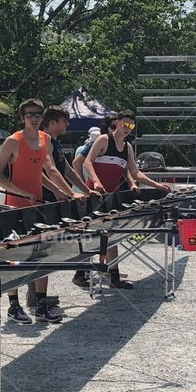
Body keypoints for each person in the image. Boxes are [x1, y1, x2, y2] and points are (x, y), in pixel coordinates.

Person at [0, 98, 75, 323]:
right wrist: (18, 191)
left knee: (42, 253)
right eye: (29, 114)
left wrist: (60, 191)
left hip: (37, 206)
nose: (34, 118)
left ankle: (40, 304)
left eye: (37, 114)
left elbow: (44, 172)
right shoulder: (13, 141)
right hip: (14, 206)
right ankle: (13, 305)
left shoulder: (45, 140)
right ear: (23, 117)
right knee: (14, 255)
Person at [81, 109, 170, 289]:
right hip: (94, 194)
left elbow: (135, 172)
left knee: (111, 235)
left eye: (131, 125)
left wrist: (158, 186)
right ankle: (82, 273)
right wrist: (96, 182)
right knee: (91, 236)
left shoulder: (128, 147)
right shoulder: (104, 140)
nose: (127, 128)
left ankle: (113, 277)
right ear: (118, 123)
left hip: (112, 197)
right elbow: (86, 162)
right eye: (125, 124)